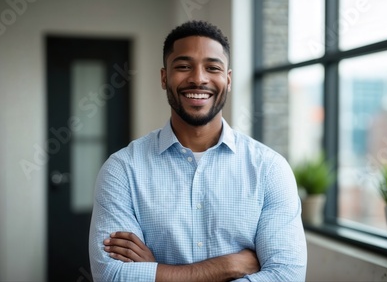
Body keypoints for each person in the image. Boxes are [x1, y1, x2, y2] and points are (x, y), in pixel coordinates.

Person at [89, 20, 307, 281]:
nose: (198, 78)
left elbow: (287, 276)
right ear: (164, 77)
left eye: (212, 68)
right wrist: (228, 266)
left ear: (227, 79)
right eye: (183, 67)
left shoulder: (270, 169)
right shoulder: (122, 169)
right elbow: (112, 275)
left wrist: (157, 272)